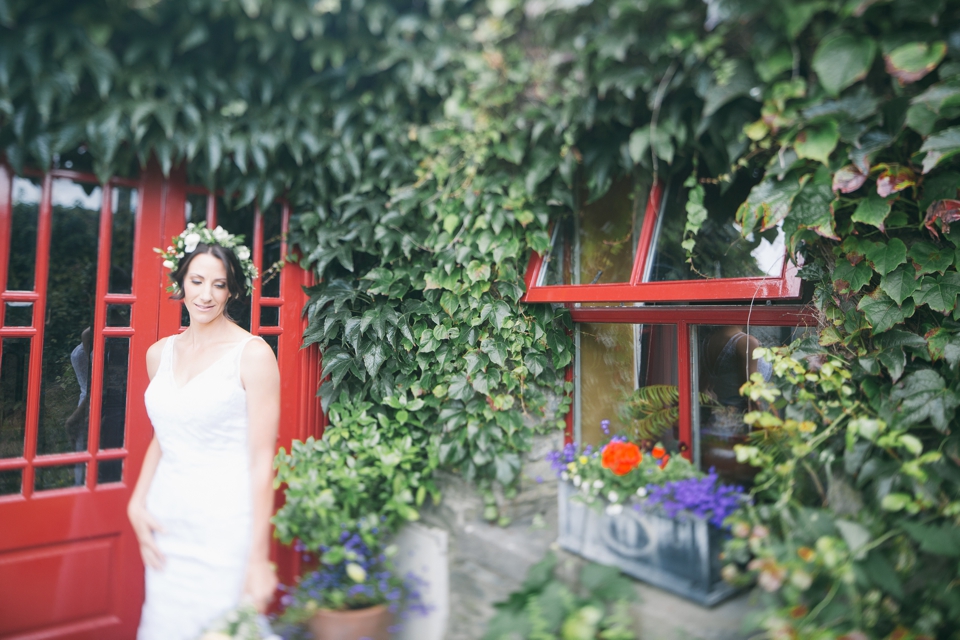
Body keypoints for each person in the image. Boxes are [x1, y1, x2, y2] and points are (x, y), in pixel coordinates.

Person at [127, 224, 279, 639]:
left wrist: (259, 559)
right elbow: (167, 432)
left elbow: (262, 460)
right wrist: (137, 502)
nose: (205, 294)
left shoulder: (254, 355)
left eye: (218, 284)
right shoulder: (159, 354)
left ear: (231, 292)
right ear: (181, 283)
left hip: (225, 525)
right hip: (167, 521)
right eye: (196, 281)